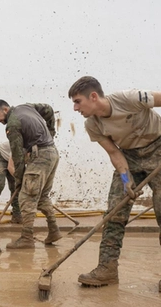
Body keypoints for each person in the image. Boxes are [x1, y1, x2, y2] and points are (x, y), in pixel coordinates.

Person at [68, 76, 161, 291]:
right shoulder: (92, 124)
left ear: (93, 96)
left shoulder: (130, 98)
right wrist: (127, 180)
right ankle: (107, 269)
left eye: (77, 101)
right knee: (114, 213)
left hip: (158, 148)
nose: (75, 108)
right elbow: (113, 152)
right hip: (129, 158)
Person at [0, 100, 62, 249]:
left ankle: (27, 238)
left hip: (40, 156)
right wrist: (51, 133)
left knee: (26, 196)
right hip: (52, 153)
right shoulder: (26, 107)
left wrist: (19, 180)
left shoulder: (12, 125)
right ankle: (54, 230)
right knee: (42, 196)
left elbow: (17, 156)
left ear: (5, 109)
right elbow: (48, 108)